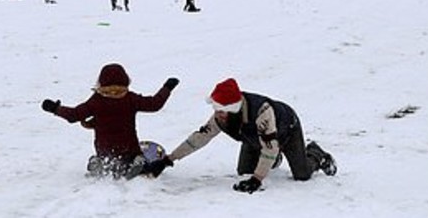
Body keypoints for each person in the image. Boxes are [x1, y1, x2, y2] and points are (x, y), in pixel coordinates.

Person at [143, 78, 337, 193]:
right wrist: (168, 160)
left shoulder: (262, 111)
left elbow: (270, 147)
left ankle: (315, 154)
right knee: (244, 170)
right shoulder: (221, 116)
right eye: (215, 108)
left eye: (221, 109)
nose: (217, 113)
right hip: (255, 138)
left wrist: (258, 179)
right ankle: (273, 160)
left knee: (301, 175)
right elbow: (199, 138)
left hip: (286, 130)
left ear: (233, 108)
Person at [41, 64, 179, 179]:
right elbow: (154, 104)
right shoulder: (130, 99)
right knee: (135, 157)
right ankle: (137, 165)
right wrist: (167, 88)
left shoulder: (97, 101)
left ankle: (101, 163)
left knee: (107, 158)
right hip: (129, 148)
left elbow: (74, 115)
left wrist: (55, 108)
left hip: (104, 148)